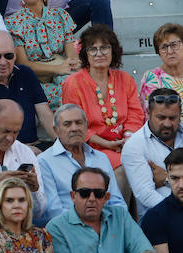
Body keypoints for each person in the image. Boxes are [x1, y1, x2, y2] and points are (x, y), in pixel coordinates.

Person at [61, 25, 144, 174]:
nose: (99, 53)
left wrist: (128, 139)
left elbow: (135, 114)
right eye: (93, 49)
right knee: (123, 167)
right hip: (89, 148)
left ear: (113, 51)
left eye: (104, 48)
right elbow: (73, 124)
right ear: (85, 54)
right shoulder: (73, 83)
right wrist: (107, 144)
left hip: (126, 144)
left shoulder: (125, 80)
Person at [122, 89, 183, 220]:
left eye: (172, 118)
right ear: (148, 113)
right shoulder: (134, 145)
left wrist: (167, 178)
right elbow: (146, 195)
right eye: (161, 117)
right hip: (160, 219)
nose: (167, 123)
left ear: (180, 115)